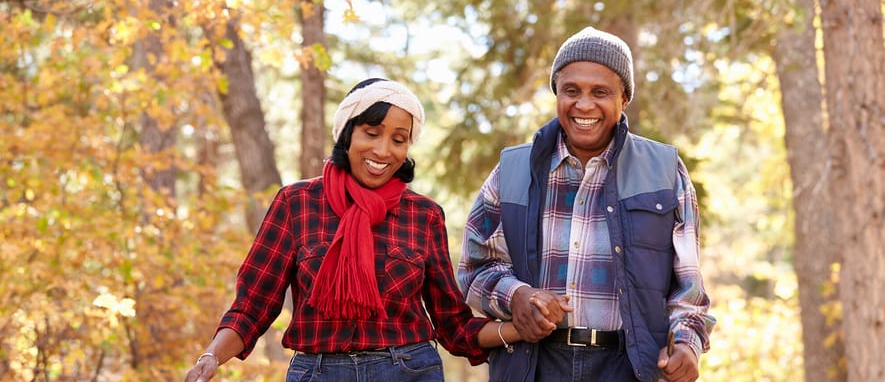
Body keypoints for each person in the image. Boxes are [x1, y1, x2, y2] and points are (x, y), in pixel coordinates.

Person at [184, 78, 569, 382]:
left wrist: (521, 327)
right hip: (318, 373)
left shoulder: (423, 215)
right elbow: (253, 308)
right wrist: (210, 357)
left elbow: (453, 327)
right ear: (346, 134)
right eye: (372, 132)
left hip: (409, 370)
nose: (384, 151)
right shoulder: (296, 203)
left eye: (399, 139)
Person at [458, 26, 716, 382]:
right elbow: (474, 268)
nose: (583, 105)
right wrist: (515, 296)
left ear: (623, 98)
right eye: (571, 91)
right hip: (532, 367)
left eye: (600, 92)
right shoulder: (513, 169)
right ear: (556, 95)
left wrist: (686, 343)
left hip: (629, 367)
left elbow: (689, 286)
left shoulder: (664, 170)